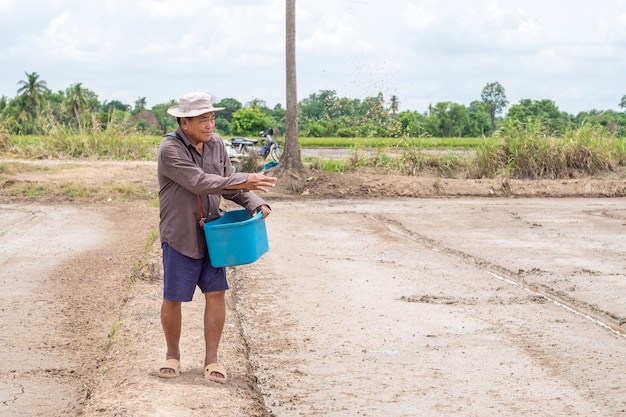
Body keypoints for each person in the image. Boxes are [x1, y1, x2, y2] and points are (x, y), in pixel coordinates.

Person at [156, 92, 276, 383]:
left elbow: (228, 183)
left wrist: (253, 201)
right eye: (202, 119)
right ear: (184, 122)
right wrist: (241, 180)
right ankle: (173, 355)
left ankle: (212, 360)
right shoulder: (170, 149)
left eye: (212, 118)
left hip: (214, 232)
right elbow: (199, 182)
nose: (209, 125)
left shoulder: (217, 145)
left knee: (216, 293)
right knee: (174, 297)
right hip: (181, 233)